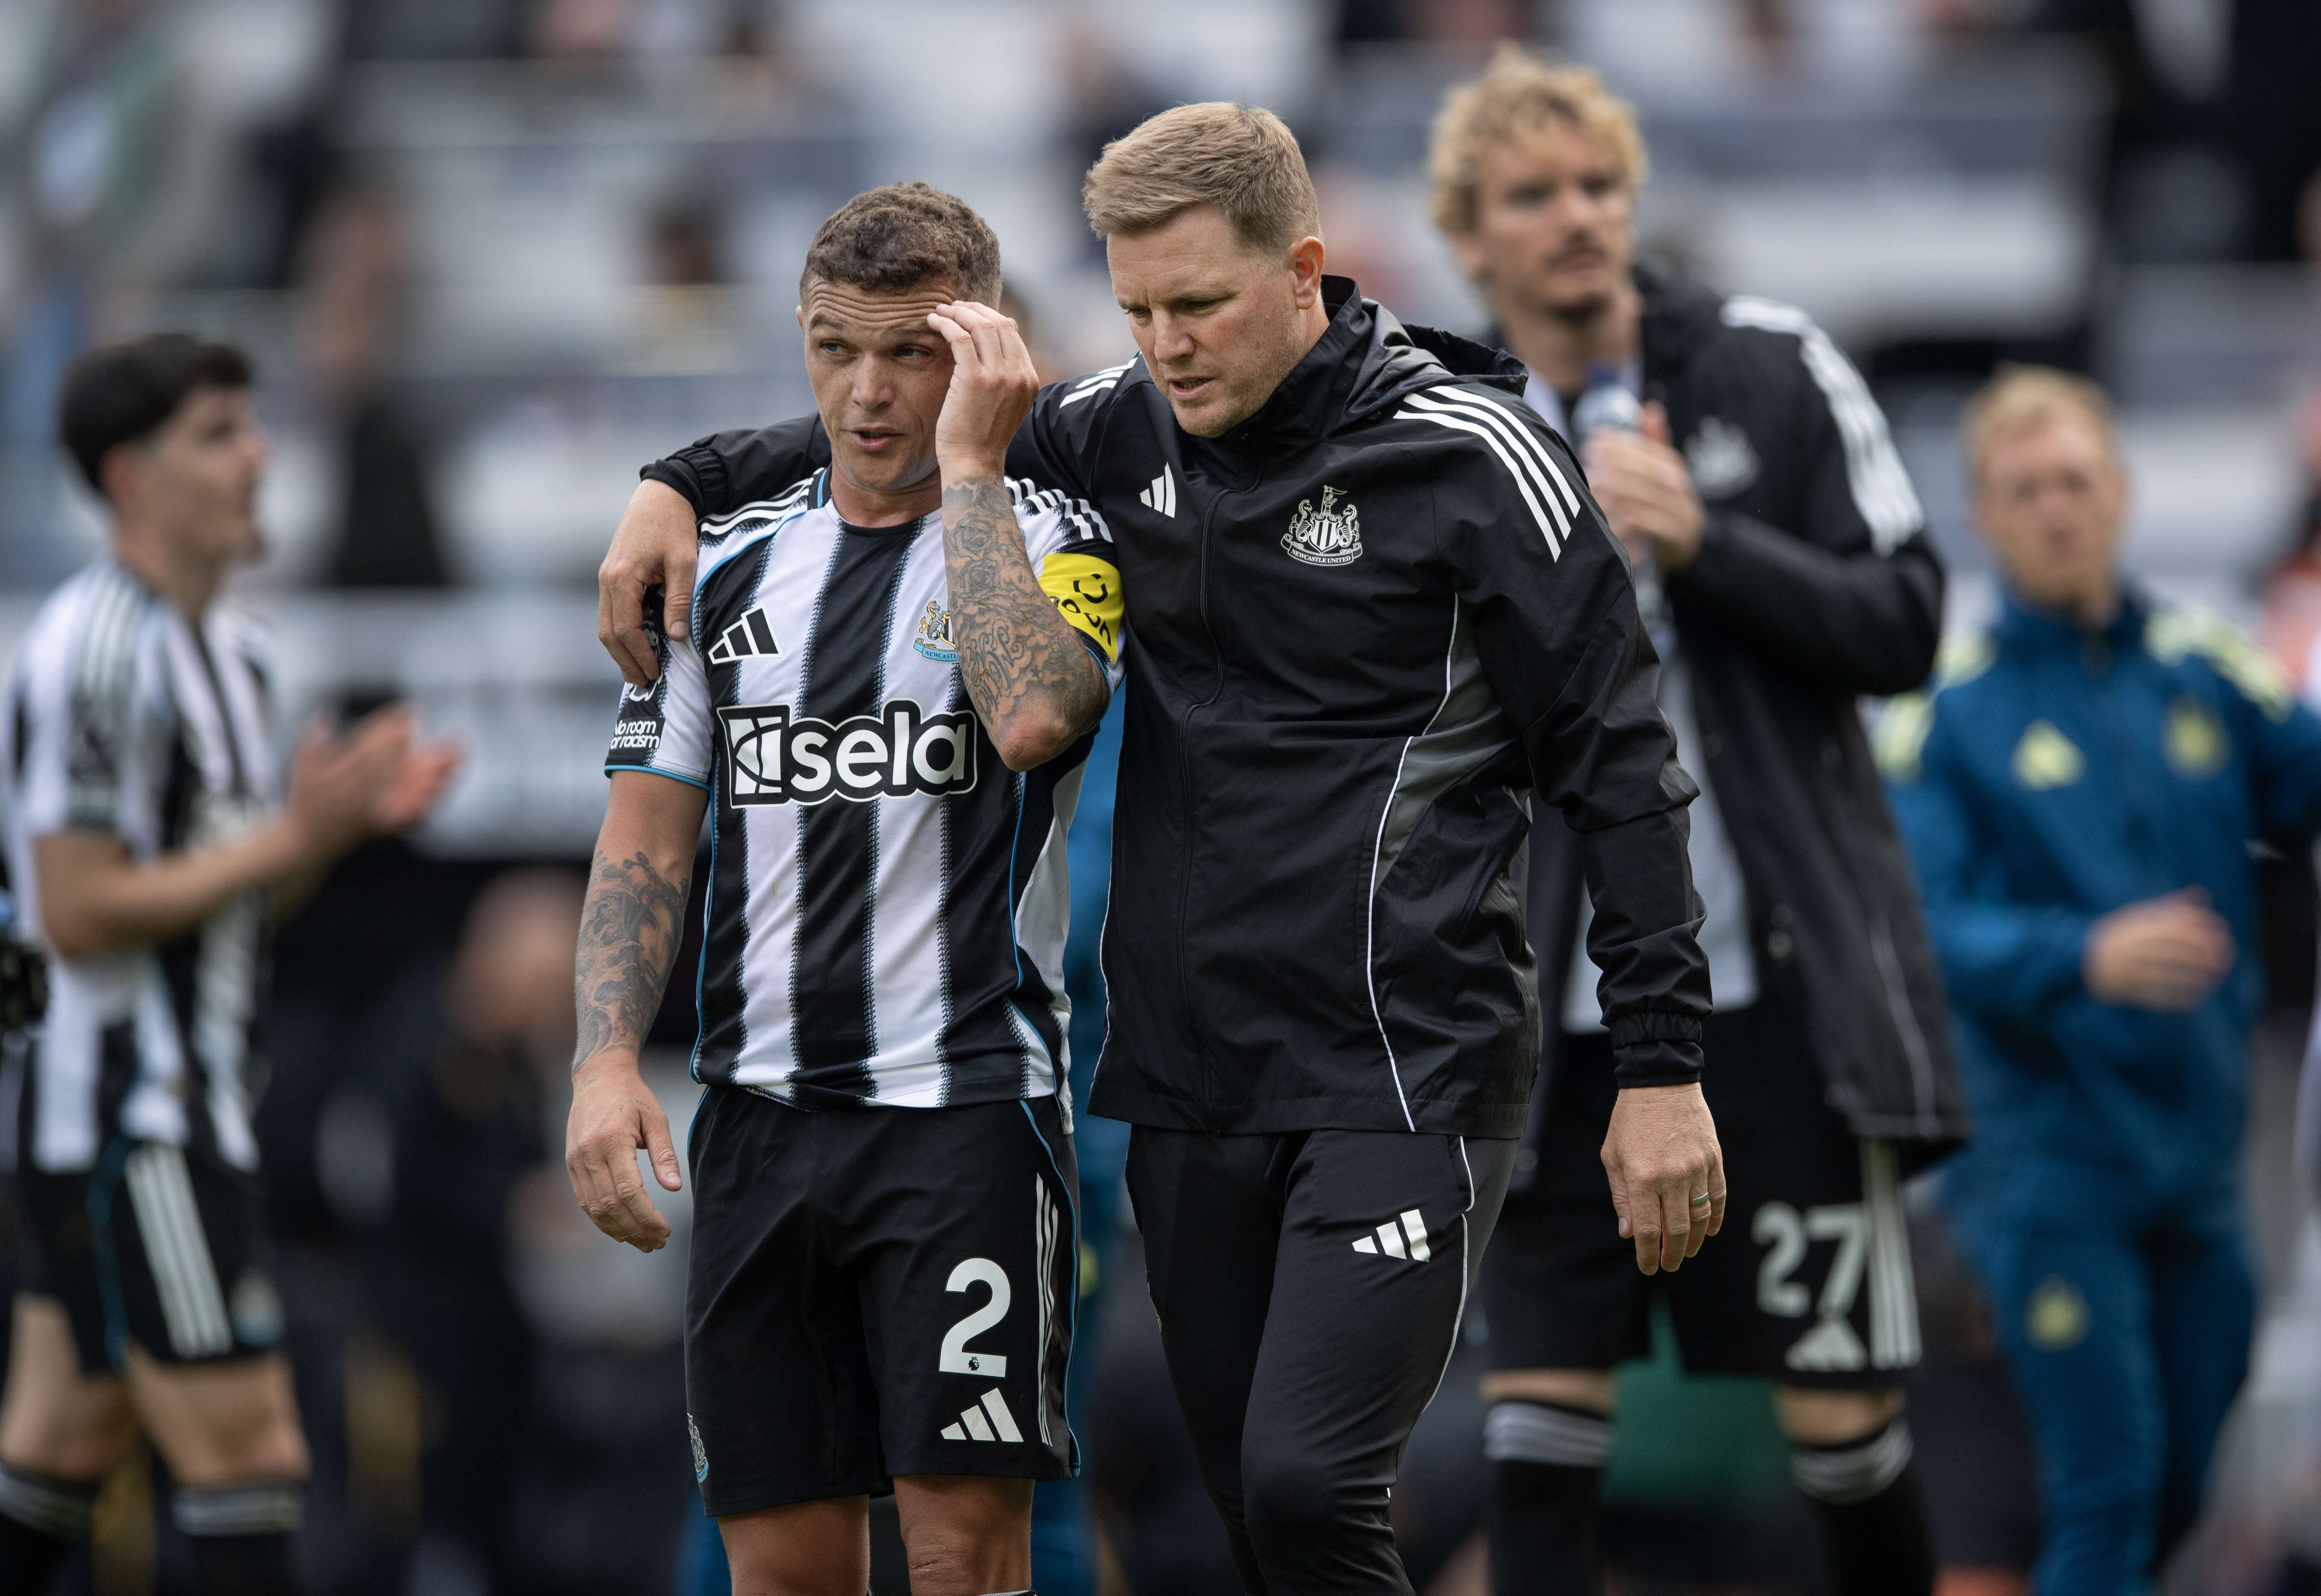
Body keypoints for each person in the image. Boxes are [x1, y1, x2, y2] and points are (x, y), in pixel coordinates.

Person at [597, 104, 1726, 1596]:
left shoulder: (1475, 456)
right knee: (1250, 1518)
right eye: (1135, 309)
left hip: (1407, 1063)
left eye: (1196, 305)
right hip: (1188, 1075)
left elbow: (1622, 767)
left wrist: (1659, 1066)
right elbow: (883, 433)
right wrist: (677, 477)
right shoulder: (1119, 426)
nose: (1165, 343)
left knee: (1308, 1485)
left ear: (1304, 269)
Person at [1423, 48, 1970, 1596]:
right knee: (1533, 1450)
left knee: (1847, 1440)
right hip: (1544, 1016)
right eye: (1533, 195)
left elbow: (1911, 620)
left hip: (1781, 1011)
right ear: (1470, 235)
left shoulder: (1766, 361)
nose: (1577, 218)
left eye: (1599, 184)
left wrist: (1703, 541)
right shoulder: (1437, 422)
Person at [562, 184, 1118, 1596]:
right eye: (833, 350)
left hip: (969, 1119)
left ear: (983, 351)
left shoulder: (1056, 537)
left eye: (911, 354)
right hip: (759, 1124)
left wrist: (976, 473)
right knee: (781, 1566)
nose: (867, 396)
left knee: (964, 1557)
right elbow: (645, 841)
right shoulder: (725, 559)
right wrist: (605, 1059)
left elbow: (1039, 719)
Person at [0, 332, 458, 1596]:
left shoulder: (239, 654)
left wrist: (322, 837)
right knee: (251, 1453)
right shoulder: (95, 651)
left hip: (179, 1109)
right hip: (127, 1123)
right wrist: (289, 838)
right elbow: (80, 907)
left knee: (56, 1460)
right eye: (219, 434)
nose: (260, 457)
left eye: (252, 428)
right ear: (131, 476)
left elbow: (228, 899)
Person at [1879, 365, 2321, 1594]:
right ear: (1984, 514)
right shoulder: (1946, 717)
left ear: (2119, 494)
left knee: (2185, 1482)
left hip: (2197, 1155)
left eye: (2074, 480)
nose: (2055, 508)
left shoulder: (2205, 672)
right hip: (2047, 1164)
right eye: (2024, 490)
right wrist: (2082, 956)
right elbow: (1926, 929)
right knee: (2106, 1484)